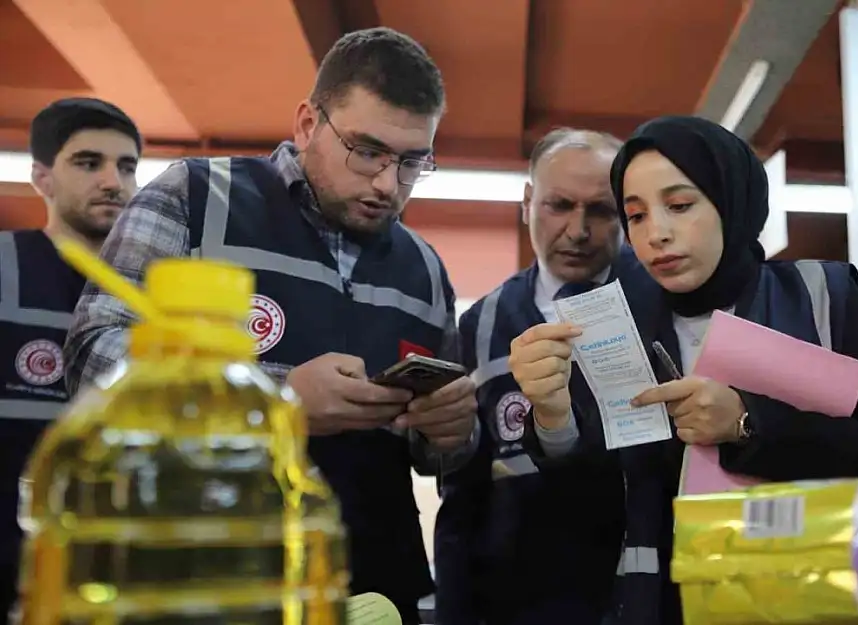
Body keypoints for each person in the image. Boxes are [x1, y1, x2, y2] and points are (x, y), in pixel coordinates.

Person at [64, 28, 478, 625]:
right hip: (208, 582)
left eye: (413, 161)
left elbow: (438, 458)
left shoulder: (425, 268)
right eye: (367, 151)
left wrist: (449, 432)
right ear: (309, 123)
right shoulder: (197, 199)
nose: (389, 183)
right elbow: (91, 360)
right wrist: (273, 400)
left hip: (377, 588)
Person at [507, 116, 858, 625]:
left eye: (680, 205)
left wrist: (747, 423)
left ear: (731, 202)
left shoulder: (823, 297)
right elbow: (592, 503)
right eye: (636, 216)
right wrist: (553, 417)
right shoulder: (613, 322)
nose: (657, 234)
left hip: (805, 595)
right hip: (657, 604)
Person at [435, 129, 659, 625]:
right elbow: (462, 499)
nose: (578, 230)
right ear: (528, 202)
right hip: (517, 601)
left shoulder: (663, 308)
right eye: (559, 205)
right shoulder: (481, 324)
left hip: (640, 597)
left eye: (600, 210)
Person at [0, 98, 141, 619]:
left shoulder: (155, 300)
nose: (113, 181)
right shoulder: (5, 267)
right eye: (89, 162)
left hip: (123, 589)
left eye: (126, 166)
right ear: (42, 177)